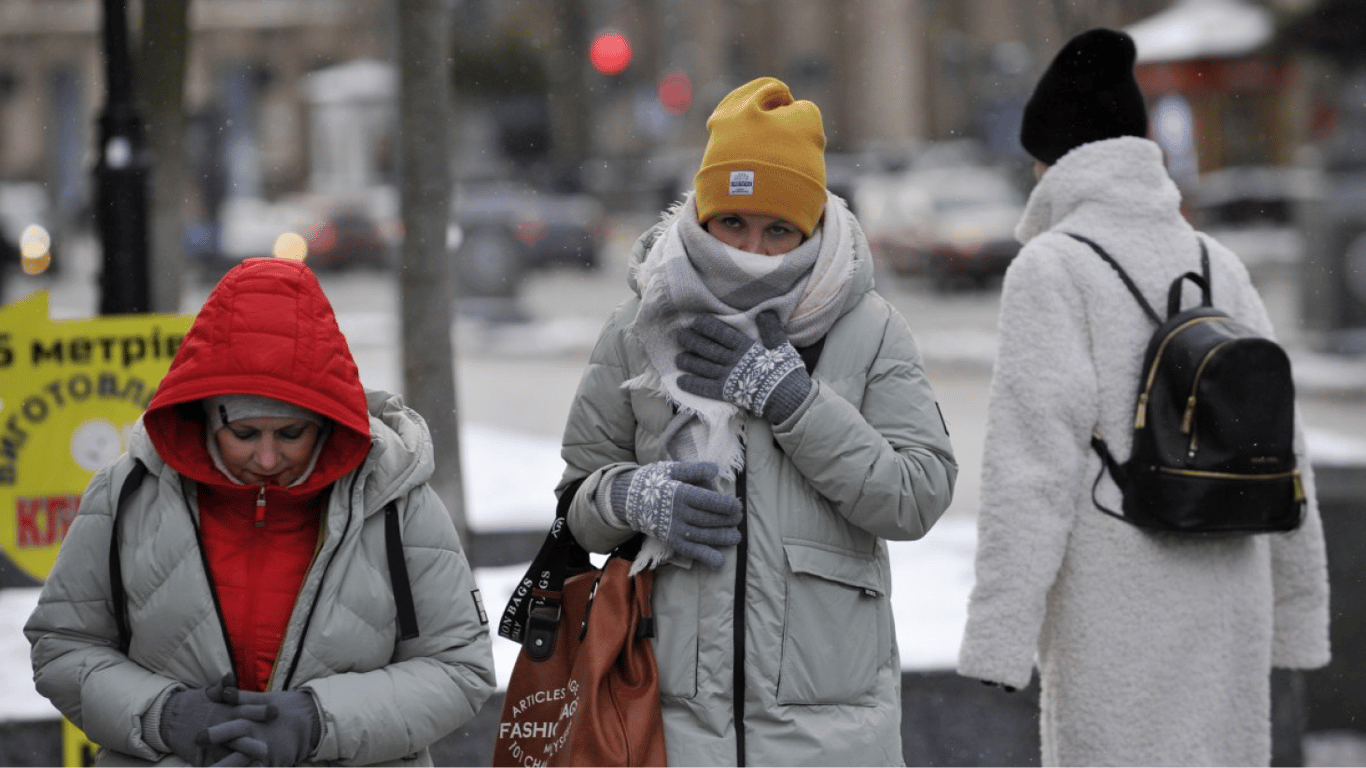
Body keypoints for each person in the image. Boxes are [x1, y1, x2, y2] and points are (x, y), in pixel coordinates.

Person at [555, 76, 958, 768]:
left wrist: (793, 403)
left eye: (779, 230)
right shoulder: (639, 326)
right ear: (704, 215)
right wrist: (630, 496)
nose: (752, 250)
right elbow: (578, 506)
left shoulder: (867, 329)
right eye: (733, 223)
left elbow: (916, 493)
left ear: (812, 227)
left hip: (830, 741)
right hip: (665, 731)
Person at [956, 28, 1330, 768]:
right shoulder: (1217, 261)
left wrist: (999, 637)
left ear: (1052, 160)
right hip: (1232, 589)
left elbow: (1030, 469)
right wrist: (1298, 613)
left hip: (1120, 599)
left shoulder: (1053, 268)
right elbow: (1287, 452)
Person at [26, 257, 495, 768]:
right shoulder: (127, 493)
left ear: (327, 419)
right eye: (245, 434)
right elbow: (63, 646)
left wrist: (319, 722)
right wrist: (164, 715)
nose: (268, 459)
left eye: (292, 434)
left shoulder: (395, 500)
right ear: (205, 415)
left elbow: (459, 668)